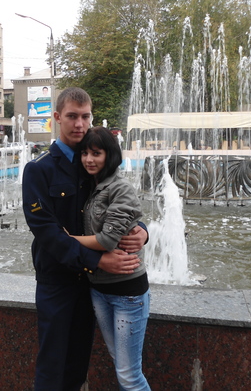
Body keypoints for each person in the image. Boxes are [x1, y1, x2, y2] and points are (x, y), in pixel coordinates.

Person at [22, 87, 147, 390]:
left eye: (85, 116)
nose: (79, 124)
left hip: (90, 285)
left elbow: (119, 202)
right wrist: (98, 259)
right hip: (58, 281)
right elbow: (47, 232)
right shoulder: (39, 170)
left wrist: (142, 231)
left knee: (78, 364)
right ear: (57, 117)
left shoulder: (92, 162)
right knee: (52, 366)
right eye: (72, 116)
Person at [71, 127, 150, 390]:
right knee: (119, 363)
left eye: (96, 153)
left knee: (129, 375)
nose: (88, 159)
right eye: (85, 153)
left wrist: (67, 239)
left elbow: (106, 240)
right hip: (98, 289)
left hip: (127, 293)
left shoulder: (120, 188)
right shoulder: (91, 186)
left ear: (110, 155)